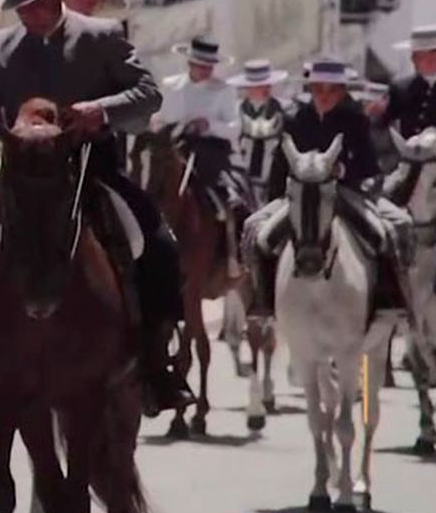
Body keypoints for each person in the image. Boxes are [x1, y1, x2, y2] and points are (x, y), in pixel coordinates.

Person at [0, 0, 194, 417]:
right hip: (20, 177)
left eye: (36, 3)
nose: (29, 14)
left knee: (158, 243)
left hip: (91, 169)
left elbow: (147, 94)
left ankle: (158, 362)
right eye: (21, 6)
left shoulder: (102, 37)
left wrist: (103, 110)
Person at [247, 57, 413, 317]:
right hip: (298, 195)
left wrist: (342, 171)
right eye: (318, 89)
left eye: (332, 90)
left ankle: (390, 300)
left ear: (341, 92)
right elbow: (279, 166)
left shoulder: (355, 120)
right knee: (256, 232)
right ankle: (263, 301)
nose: (324, 96)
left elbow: (369, 165)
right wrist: (275, 200)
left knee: (389, 230)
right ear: (310, 89)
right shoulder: (293, 119)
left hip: (344, 191)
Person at [153, 37, 250, 272]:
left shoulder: (224, 90)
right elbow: (160, 118)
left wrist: (209, 125)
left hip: (211, 150)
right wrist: (161, 125)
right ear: (190, 63)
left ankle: (235, 253)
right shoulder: (170, 86)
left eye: (209, 66)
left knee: (230, 195)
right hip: (175, 145)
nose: (206, 70)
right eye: (201, 65)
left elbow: (235, 127)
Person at [369, 25, 436, 157]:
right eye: (415, 56)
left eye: (420, 56)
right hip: (409, 160)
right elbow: (382, 123)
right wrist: (374, 114)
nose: (414, 61)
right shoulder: (401, 88)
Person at [227, 57, 293, 196]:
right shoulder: (235, 112)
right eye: (259, 85)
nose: (265, 88)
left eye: (267, 85)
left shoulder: (285, 110)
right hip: (243, 181)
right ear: (248, 87)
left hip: (275, 181)